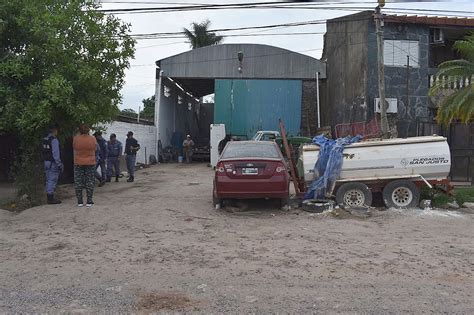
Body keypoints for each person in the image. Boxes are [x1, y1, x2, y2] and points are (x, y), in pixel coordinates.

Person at [73, 124, 97, 207]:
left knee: (78, 182)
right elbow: (95, 148)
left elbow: (74, 147)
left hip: (78, 162)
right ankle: (89, 201)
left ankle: (80, 201)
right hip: (90, 162)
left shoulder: (76, 139)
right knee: (90, 181)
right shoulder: (93, 139)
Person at [42, 124, 63, 204]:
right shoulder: (54, 140)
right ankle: (50, 198)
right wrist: (59, 164)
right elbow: (55, 154)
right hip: (52, 163)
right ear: (55, 130)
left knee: (48, 179)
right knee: (52, 179)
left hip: (46, 162)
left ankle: (49, 197)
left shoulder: (45, 139)